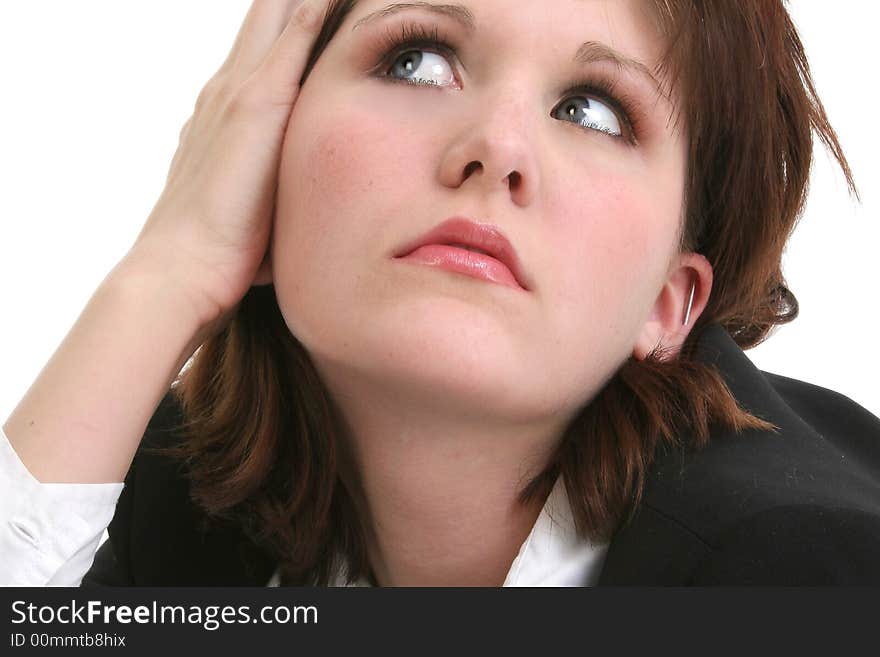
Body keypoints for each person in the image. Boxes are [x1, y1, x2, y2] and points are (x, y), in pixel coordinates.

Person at [2, 0, 879, 587]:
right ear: (265, 153)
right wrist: (169, 268)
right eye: (418, 61)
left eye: (592, 110)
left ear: (670, 302)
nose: (495, 147)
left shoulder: (803, 568)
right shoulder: (169, 499)